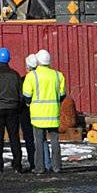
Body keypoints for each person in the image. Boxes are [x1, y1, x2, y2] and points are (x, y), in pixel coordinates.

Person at [22, 48, 68, 176]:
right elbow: (62, 94)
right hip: (53, 113)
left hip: (38, 115)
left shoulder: (32, 76)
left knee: (39, 142)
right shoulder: (58, 75)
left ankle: (40, 168)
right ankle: (57, 167)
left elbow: (26, 95)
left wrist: (29, 103)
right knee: (55, 141)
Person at [0, 45, 26, 173]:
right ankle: (17, 165)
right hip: (13, 109)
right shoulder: (15, 75)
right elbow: (21, 94)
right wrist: (18, 107)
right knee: (14, 137)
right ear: (9, 59)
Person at [19, 52, 38, 170]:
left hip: (26, 113)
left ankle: (33, 162)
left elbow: (23, 97)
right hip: (41, 112)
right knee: (40, 139)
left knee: (29, 139)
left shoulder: (24, 80)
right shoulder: (42, 78)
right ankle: (43, 162)